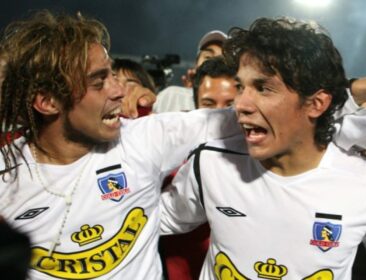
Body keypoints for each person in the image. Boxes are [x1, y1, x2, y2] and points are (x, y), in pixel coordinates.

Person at [0, 10, 241, 280]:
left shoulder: (142, 139)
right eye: (99, 81)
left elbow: (236, 119)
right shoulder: (7, 174)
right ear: (47, 102)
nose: (119, 90)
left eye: (112, 74)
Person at [160, 17, 366, 280]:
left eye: (263, 88)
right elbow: (153, 218)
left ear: (316, 103)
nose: (240, 104)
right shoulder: (210, 162)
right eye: (241, 86)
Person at [159, 56, 239, 280]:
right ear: (195, 105)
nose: (221, 115)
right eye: (209, 105)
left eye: (230, 105)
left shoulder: (263, 161)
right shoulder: (168, 158)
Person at [152, 30, 227, 113]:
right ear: (196, 65)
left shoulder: (237, 103)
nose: (213, 63)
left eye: (221, 59)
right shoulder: (171, 96)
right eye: (208, 57)